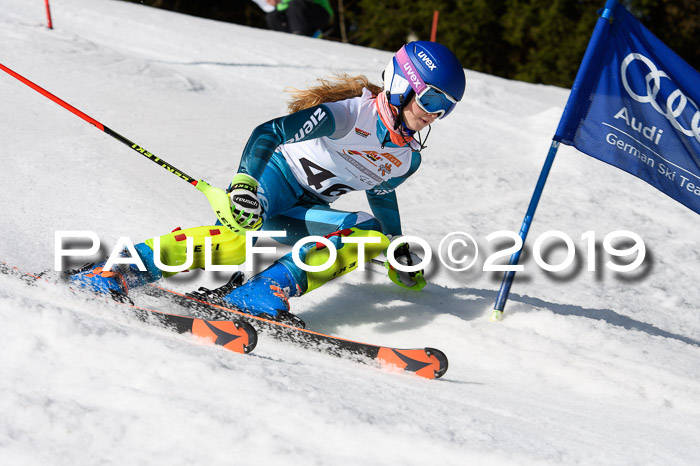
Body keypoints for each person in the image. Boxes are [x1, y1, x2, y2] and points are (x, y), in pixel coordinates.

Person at [69, 41, 466, 326]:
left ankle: (261, 294)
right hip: (273, 183)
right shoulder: (348, 115)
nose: (434, 115)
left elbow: (382, 195)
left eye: (445, 109)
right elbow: (268, 132)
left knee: (369, 233)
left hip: (304, 211)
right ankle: (115, 271)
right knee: (239, 232)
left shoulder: (406, 158)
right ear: (402, 85)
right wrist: (244, 183)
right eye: (431, 101)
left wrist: (397, 249)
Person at [265, 0, 333, 37]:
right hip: (296, 16)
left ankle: (300, 37)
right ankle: (285, 41)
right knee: (273, 16)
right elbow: (282, 8)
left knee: (295, 4)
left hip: (320, 14)